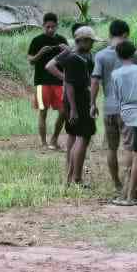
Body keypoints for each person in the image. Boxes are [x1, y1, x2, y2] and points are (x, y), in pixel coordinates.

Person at [90, 19, 137, 192]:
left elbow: (95, 81)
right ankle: (127, 185)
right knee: (128, 148)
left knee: (111, 147)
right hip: (127, 110)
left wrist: (92, 104)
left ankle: (116, 182)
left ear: (110, 34)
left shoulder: (101, 55)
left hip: (108, 108)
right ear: (125, 35)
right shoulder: (135, 54)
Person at [47, 26, 97, 186]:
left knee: (73, 135)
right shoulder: (73, 56)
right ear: (81, 40)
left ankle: (70, 176)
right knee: (83, 137)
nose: (92, 44)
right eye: (89, 41)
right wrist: (65, 78)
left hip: (76, 98)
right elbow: (67, 83)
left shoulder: (83, 54)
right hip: (77, 99)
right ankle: (76, 177)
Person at [109, 39, 137, 207]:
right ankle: (130, 196)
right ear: (134, 53)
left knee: (127, 152)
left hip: (124, 114)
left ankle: (124, 193)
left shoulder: (115, 74)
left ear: (118, 55)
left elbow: (117, 98)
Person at [27, 13, 68, 151]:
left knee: (64, 111)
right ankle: (44, 143)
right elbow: (31, 60)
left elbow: (71, 59)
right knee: (43, 112)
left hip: (59, 82)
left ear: (57, 26)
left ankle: (54, 139)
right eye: (48, 27)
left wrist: (67, 50)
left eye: (53, 27)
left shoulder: (62, 40)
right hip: (41, 82)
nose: (50, 29)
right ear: (43, 26)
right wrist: (40, 53)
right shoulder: (36, 40)